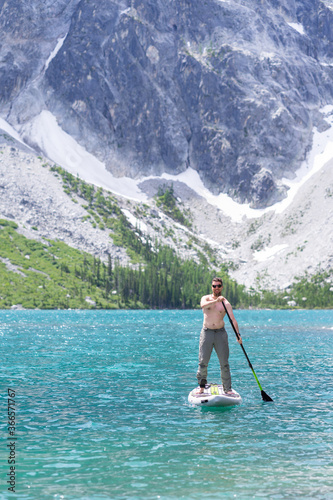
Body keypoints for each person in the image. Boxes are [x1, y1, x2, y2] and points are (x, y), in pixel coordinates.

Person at [196, 277, 242, 394]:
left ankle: (227, 389)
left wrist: (238, 335)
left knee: (224, 363)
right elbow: (203, 305)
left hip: (220, 333)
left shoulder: (226, 303)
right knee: (203, 361)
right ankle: (201, 386)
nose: (216, 288)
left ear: (222, 287)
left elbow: (233, 319)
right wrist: (216, 301)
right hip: (207, 332)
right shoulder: (206, 298)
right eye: (214, 286)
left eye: (218, 286)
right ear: (211, 287)